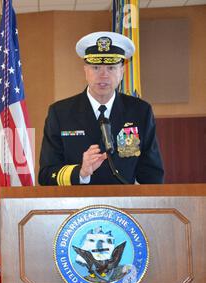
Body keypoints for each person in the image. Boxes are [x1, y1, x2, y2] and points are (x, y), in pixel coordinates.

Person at [39, 31, 164, 186]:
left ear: (122, 72)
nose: (103, 75)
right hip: (77, 207)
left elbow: (153, 174)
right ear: (86, 70)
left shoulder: (140, 111)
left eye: (111, 68)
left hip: (124, 206)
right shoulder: (60, 113)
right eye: (96, 67)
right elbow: (46, 175)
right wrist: (81, 172)